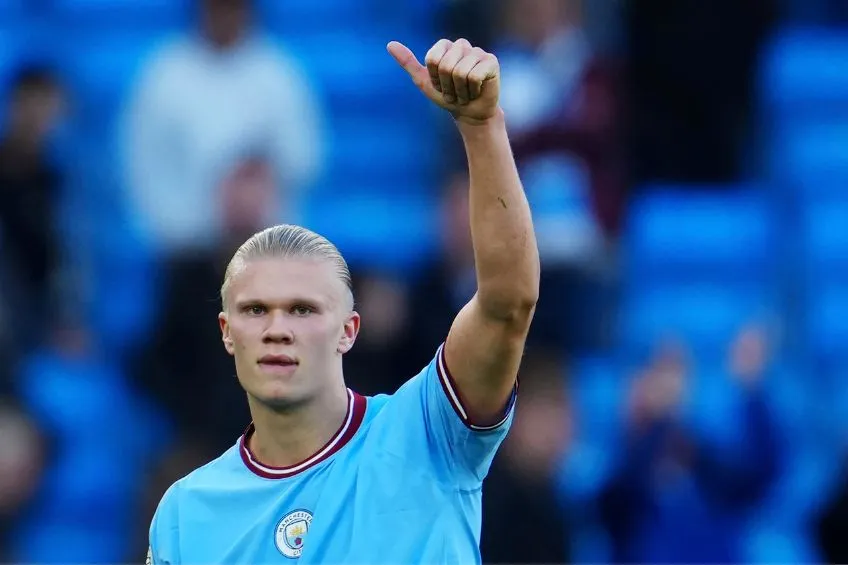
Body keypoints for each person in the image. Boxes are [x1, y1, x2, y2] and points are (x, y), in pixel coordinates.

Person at [146, 37, 540, 564]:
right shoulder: (185, 513)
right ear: (225, 331)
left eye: (303, 309)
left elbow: (507, 304)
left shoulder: (426, 432)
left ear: (349, 330)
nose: (277, 328)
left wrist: (481, 126)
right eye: (255, 310)